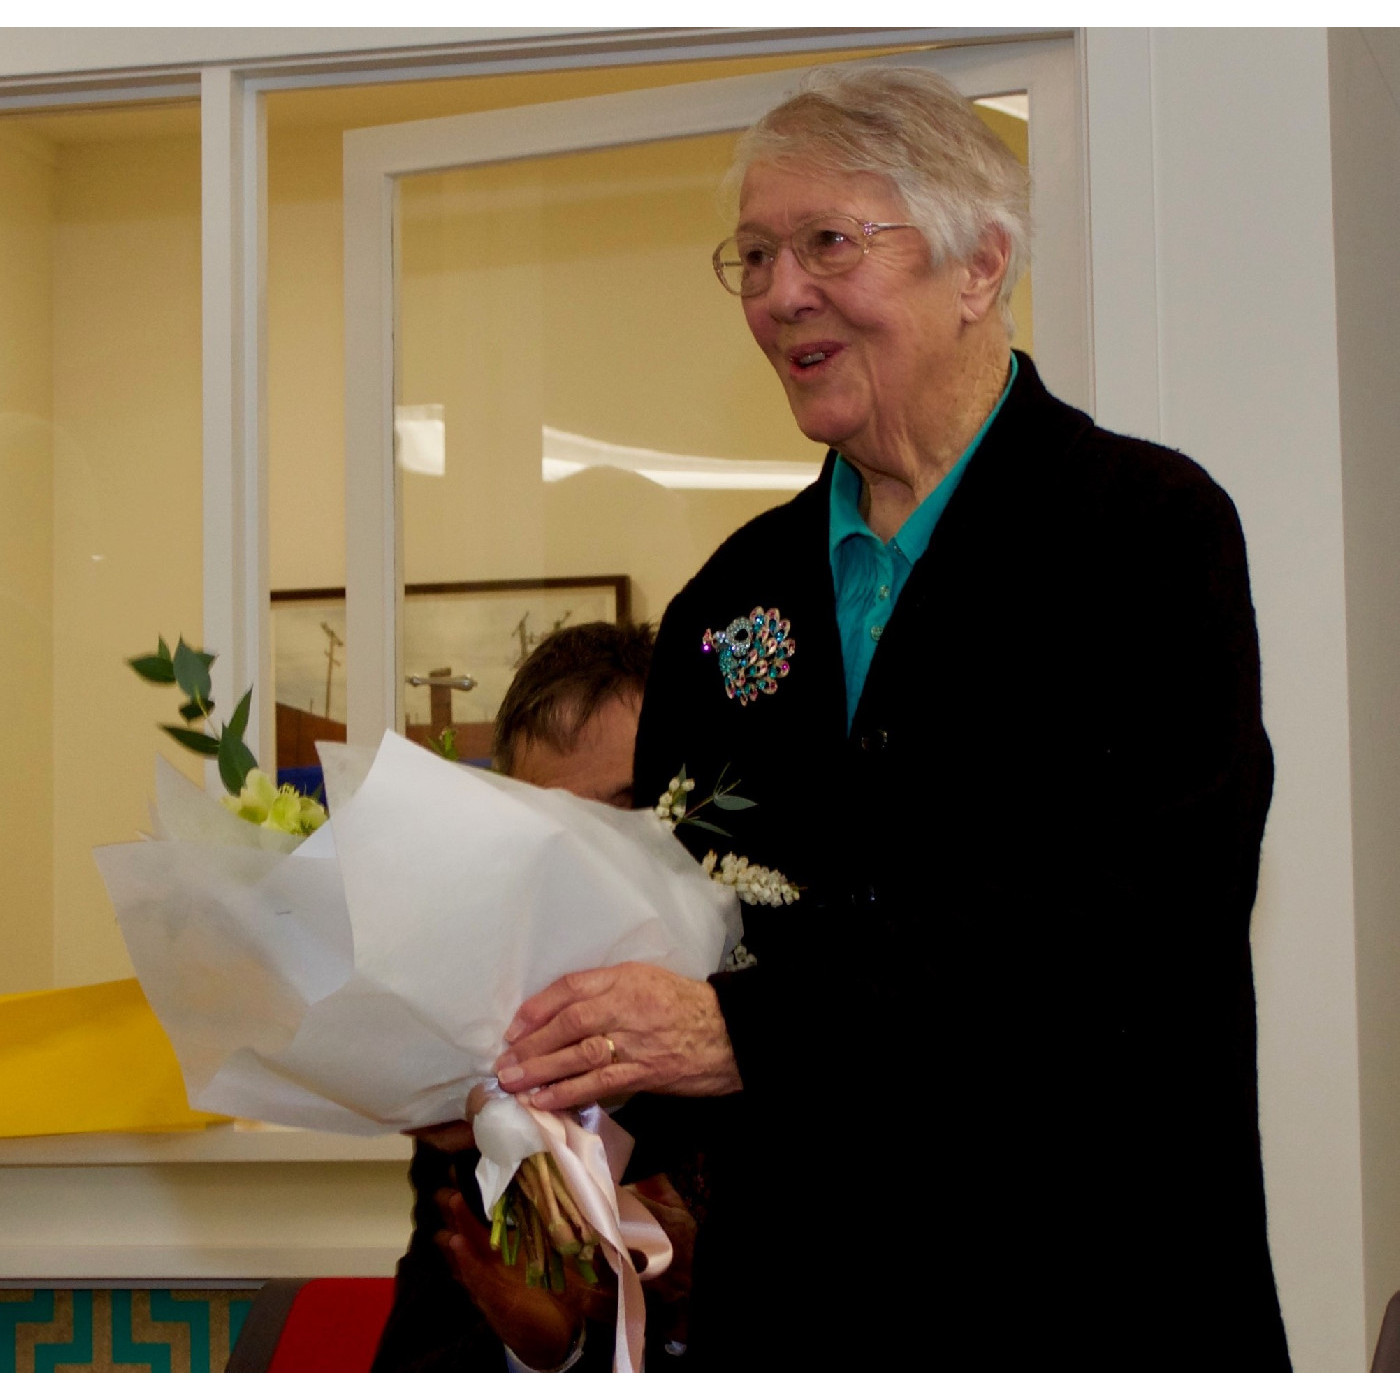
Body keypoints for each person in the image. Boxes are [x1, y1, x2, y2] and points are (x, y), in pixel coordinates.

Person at [489, 65, 1291, 1371]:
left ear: (981, 265)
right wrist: (546, 1068)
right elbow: (688, 927)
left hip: (1089, 1297)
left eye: (826, 244)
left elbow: (1139, 919)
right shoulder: (725, 604)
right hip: (806, 1313)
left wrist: (742, 1032)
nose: (780, 293)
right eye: (752, 255)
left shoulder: (1141, 533)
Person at [372, 619, 682, 1373]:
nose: (592, 862)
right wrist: (539, 1351)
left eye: (623, 816)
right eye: (555, 829)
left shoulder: (764, 1033)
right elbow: (412, 1359)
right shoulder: (480, 1069)